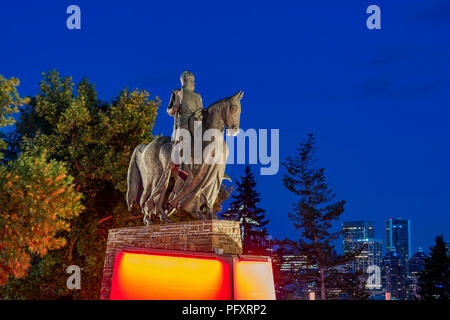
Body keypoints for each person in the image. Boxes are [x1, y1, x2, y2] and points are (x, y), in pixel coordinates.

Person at [167, 71, 204, 180]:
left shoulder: (198, 96)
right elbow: (169, 110)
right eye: (192, 80)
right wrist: (174, 108)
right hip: (182, 123)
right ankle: (180, 169)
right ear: (185, 80)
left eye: (193, 80)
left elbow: (201, 111)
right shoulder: (177, 92)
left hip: (196, 124)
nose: (194, 83)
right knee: (183, 143)